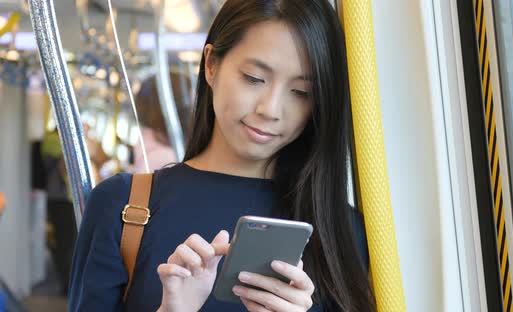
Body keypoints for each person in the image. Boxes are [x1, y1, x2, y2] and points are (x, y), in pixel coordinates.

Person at [68, 0, 376, 311]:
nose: (270, 110)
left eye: (301, 93)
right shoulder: (122, 206)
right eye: (254, 78)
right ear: (211, 65)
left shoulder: (343, 232)